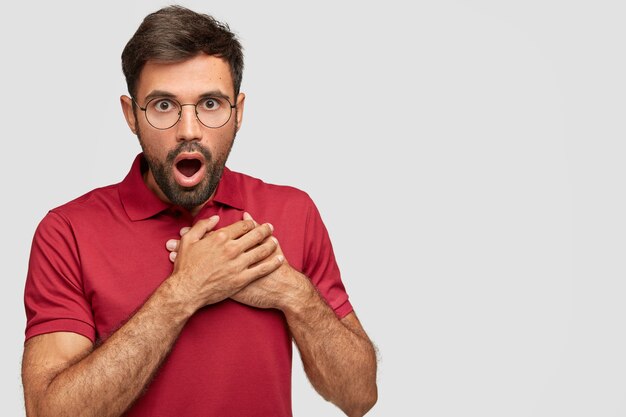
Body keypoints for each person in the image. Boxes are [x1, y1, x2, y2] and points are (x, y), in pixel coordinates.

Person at [21, 5, 377, 417]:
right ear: (130, 115)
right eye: (163, 106)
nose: (188, 130)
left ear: (238, 112)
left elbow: (359, 396)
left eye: (210, 104)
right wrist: (184, 292)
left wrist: (293, 293)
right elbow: (49, 412)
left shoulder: (293, 211)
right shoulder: (67, 232)